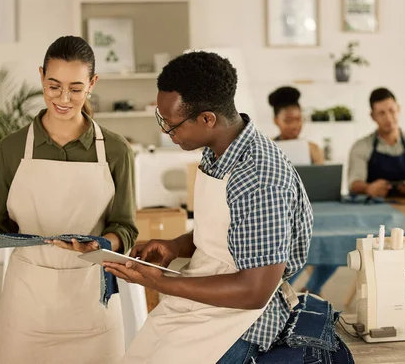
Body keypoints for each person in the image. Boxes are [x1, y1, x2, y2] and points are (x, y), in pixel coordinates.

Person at [102, 51, 313, 364]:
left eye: (171, 124)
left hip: (241, 320)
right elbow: (227, 230)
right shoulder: (218, 152)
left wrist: (160, 281)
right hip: (202, 298)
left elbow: (254, 291)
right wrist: (176, 245)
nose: (165, 131)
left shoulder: (258, 178)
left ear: (207, 119)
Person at [0, 36, 138, 364]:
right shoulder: (11, 148)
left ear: (92, 84)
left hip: (92, 302)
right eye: (53, 85)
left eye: (75, 88)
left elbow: (125, 227)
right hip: (27, 306)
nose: (63, 98)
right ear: (42, 76)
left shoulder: (115, 150)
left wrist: (101, 243)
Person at [348, 87, 405, 198]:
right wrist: (368, 188)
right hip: (373, 206)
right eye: (381, 113)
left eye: (391, 111)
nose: (388, 118)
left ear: (398, 109)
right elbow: (354, 184)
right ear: (372, 116)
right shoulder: (361, 147)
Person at [268, 86, 324, 164]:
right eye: (288, 121)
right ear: (276, 121)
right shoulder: (267, 149)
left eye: (298, 119)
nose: (294, 126)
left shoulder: (313, 149)